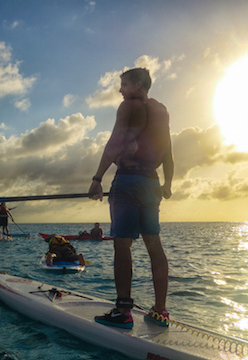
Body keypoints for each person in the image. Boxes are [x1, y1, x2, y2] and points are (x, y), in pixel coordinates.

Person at [87, 68, 174, 329]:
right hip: (151, 183)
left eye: (123, 84)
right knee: (154, 246)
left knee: (122, 245)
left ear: (138, 84)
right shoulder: (162, 111)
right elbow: (168, 152)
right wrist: (168, 184)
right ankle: (160, 310)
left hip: (127, 183)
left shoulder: (128, 107)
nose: (120, 90)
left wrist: (98, 178)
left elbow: (115, 142)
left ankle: (123, 311)